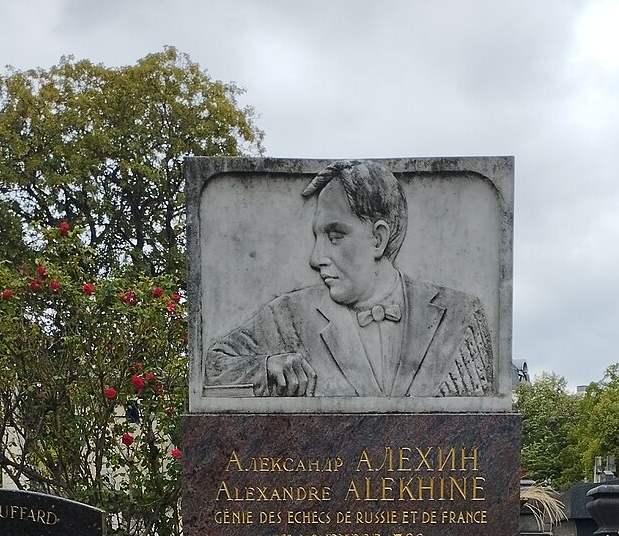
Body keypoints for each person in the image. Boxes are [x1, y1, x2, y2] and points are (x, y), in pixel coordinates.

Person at [204, 160, 494, 399]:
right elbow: (213, 366)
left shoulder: (459, 316)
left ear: (378, 239)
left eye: (335, 236)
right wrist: (267, 366)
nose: (316, 258)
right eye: (317, 237)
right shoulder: (290, 315)